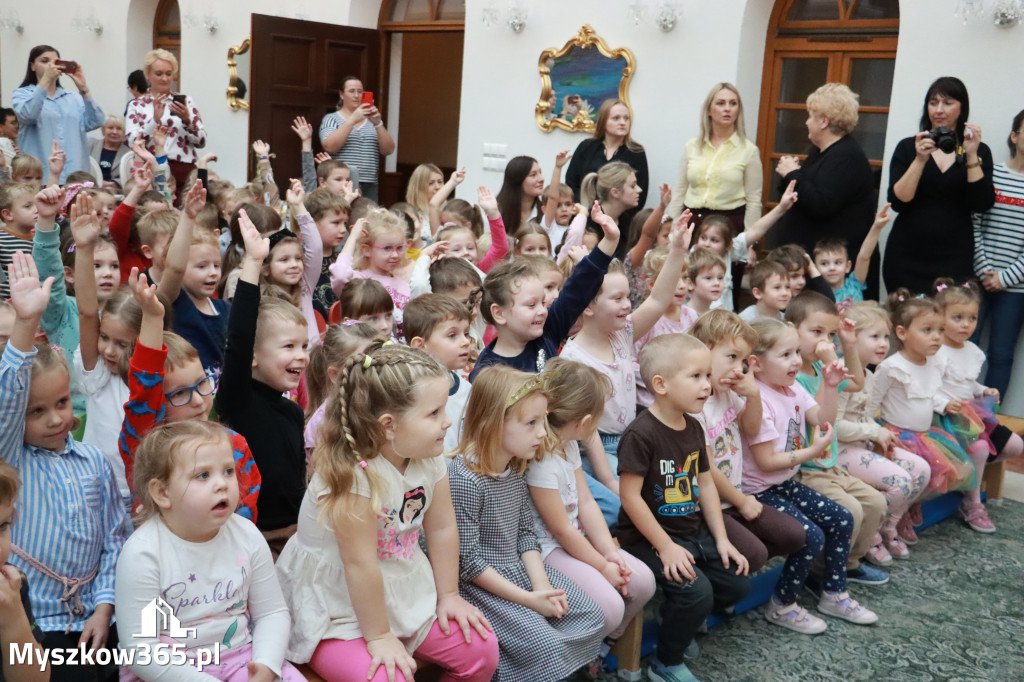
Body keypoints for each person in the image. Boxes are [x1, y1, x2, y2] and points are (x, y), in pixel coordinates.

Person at [277, 342, 499, 682]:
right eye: (434, 413)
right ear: (389, 425)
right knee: (386, 678)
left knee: (480, 649)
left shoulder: (427, 453)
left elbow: (441, 528)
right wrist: (380, 636)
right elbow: (360, 566)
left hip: (404, 584)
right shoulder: (353, 477)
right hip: (340, 607)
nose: (447, 421)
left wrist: (449, 595)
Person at [0, 252, 130, 682]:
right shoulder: (11, 463)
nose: (56, 418)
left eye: (60, 403)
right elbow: (7, 400)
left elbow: (114, 537)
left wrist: (105, 605)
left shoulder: (93, 460)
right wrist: (23, 325)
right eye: (36, 411)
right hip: (38, 627)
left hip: (96, 622)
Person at [450, 366, 605, 682]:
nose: (542, 433)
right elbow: (469, 564)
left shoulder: (516, 466)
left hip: (522, 569)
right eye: (531, 423)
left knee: (592, 615)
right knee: (545, 645)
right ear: (494, 423)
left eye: (543, 420)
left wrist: (541, 586)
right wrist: (529, 600)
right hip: (484, 584)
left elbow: (525, 534)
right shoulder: (465, 479)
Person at [115, 421, 302, 681]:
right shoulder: (143, 554)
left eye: (228, 471)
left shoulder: (246, 535)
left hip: (241, 660)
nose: (222, 484)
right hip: (168, 671)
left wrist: (266, 665)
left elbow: (272, 612)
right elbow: (140, 651)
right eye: (203, 475)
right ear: (162, 492)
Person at [618, 334, 750, 682]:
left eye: (707, 376)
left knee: (737, 583)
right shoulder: (641, 434)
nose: (707, 385)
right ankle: (665, 663)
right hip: (647, 540)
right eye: (696, 377)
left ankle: (679, 618)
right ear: (660, 384)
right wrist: (665, 547)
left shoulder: (692, 425)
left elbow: (705, 481)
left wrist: (721, 539)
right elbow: (629, 497)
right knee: (696, 593)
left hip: (691, 532)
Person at [744, 317, 878, 630]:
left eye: (796, 353)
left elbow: (821, 417)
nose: (796, 361)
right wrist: (811, 452)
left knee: (842, 517)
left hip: (781, 483)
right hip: (757, 490)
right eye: (785, 355)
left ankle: (833, 593)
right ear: (757, 364)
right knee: (811, 535)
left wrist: (829, 386)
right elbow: (766, 462)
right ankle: (782, 604)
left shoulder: (790, 390)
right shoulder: (758, 400)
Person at [560, 216, 690, 524]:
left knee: (672, 503)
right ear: (588, 306)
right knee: (629, 512)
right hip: (598, 450)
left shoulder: (622, 333)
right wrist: (609, 482)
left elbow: (658, 299)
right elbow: (587, 434)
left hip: (632, 439)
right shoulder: (575, 360)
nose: (626, 305)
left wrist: (677, 250)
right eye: (617, 298)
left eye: (627, 298)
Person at [531, 358, 656, 664]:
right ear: (584, 423)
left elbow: (586, 503)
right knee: (610, 606)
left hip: (578, 539)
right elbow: (560, 529)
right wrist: (601, 566)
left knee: (643, 582)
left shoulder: (568, 444)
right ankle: (570, 658)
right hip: (549, 548)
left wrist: (608, 553)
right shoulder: (541, 460)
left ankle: (601, 645)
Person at [117, 269, 261, 522]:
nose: (197, 401)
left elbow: (245, 516)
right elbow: (146, 385)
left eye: (201, 384)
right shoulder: (147, 445)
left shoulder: (234, 444)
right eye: (180, 393)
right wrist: (152, 319)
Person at [214, 211, 308, 555]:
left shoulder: (292, 412)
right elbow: (239, 334)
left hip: (294, 542)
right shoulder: (238, 399)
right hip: (249, 542)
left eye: (304, 347)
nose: (301, 356)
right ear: (252, 356)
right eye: (288, 347)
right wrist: (254, 262)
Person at [689, 310, 808, 581]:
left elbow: (751, 429)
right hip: (705, 505)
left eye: (743, 360)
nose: (738, 368)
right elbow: (704, 467)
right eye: (732, 357)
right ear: (705, 350)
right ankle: (710, 574)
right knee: (755, 555)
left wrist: (753, 394)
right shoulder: (695, 403)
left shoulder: (729, 392)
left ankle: (729, 568)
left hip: (733, 496)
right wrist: (741, 502)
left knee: (794, 534)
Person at [471, 202, 619, 379]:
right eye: (531, 305)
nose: (542, 310)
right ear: (499, 313)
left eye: (542, 302)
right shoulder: (485, 372)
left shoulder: (548, 329)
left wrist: (610, 240)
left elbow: (579, 288)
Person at [836, 302, 931, 557]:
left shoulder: (869, 374)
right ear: (851, 339)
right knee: (900, 482)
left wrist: (880, 434)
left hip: (862, 445)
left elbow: (865, 416)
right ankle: (871, 535)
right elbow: (832, 427)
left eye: (885, 337)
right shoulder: (841, 374)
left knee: (921, 469)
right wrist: (872, 433)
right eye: (874, 336)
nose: (883, 344)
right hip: (840, 451)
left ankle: (888, 526)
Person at [884, 76, 994, 294]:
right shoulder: (909, 147)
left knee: (947, 320)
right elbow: (898, 201)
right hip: (907, 255)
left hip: (954, 257)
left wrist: (971, 156)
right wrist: (920, 159)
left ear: (962, 108)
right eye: (933, 103)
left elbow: (981, 203)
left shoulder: (979, 151)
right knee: (906, 321)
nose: (939, 110)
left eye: (948, 103)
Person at [771, 83, 878, 298]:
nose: (806, 122)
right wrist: (789, 174)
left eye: (810, 116)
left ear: (823, 122)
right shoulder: (821, 151)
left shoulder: (847, 156)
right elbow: (803, 192)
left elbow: (821, 204)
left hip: (832, 272)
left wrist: (793, 174)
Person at [934, 280, 1024, 533]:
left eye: (972, 318)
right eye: (958, 317)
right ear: (941, 317)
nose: (966, 324)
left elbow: (969, 382)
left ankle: (967, 477)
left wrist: (984, 390)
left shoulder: (973, 351)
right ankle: (971, 503)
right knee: (982, 447)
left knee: (1015, 445)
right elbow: (927, 386)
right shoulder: (936, 350)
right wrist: (944, 404)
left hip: (972, 414)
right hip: (944, 416)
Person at [866, 292, 975, 497]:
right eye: (927, 330)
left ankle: (912, 504)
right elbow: (872, 403)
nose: (936, 336)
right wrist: (870, 436)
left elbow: (928, 393)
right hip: (897, 436)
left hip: (925, 436)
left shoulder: (934, 362)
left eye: (940, 330)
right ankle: (901, 512)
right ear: (902, 333)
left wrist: (944, 404)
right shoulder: (891, 367)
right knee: (911, 474)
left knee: (945, 474)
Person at [666, 83, 762, 241]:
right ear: (709, 110)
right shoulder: (692, 146)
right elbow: (680, 192)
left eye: (733, 103)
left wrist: (749, 242)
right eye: (720, 103)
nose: (727, 108)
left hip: (728, 226)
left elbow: (754, 200)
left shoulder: (749, 150)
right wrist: (672, 231)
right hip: (692, 223)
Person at [972, 107, 1024, 398]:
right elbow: (975, 222)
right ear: (1014, 136)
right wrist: (983, 270)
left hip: (1016, 288)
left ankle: (991, 421)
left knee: (1001, 355)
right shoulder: (993, 174)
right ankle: (956, 418)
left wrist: (1004, 278)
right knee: (964, 346)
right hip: (978, 279)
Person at [12, 45, 105, 184]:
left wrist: (83, 88)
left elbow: (97, 121)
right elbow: (28, 115)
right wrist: (45, 80)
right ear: (32, 66)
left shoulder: (73, 97)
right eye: (44, 61)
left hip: (74, 175)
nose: (51, 66)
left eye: (56, 62)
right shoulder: (22, 94)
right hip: (39, 176)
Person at [125, 49, 207, 201]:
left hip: (183, 170)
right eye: (158, 73)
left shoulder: (185, 101)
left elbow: (201, 141)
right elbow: (133, 142)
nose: (164, 78)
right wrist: (154, 121)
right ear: (148, 75)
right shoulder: (137, 105)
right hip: (152, 170)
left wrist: (187, 121)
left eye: (168, 74)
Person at [565, 99, 649, 226]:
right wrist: (587, 211)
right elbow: (571, 184)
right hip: (585, 218)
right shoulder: (586, 147)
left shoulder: (636, 152)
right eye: (616, 118)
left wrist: (612, 218)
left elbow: (640, 193)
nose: (622, 123)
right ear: (604, 121)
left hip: (620, 224)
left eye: (626, 118)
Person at [319, 76, 394, 201]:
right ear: (342, 95)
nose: (357, 96)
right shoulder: (331, 119)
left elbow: (388, 150)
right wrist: (353, 119)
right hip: (342, 182)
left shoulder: (372, 121)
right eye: (352, 91)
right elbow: (329, 147)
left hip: (370, 183)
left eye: (360, 92)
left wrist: (378, 123)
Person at [496, 156, 546, 234]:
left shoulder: (544, 212)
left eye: (540, 173)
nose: (541, 179)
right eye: (533, 175)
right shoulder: (496, 212)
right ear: (518, 179)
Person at [87, 115, 129, 189]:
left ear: (124, 132)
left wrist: (112, 184)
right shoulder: (90, 145)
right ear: (103, 130)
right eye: (110, 128)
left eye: (119, 129)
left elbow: (129, 175)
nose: (114, 132)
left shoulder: (128, 153)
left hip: (114, 190)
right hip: (89, 187)